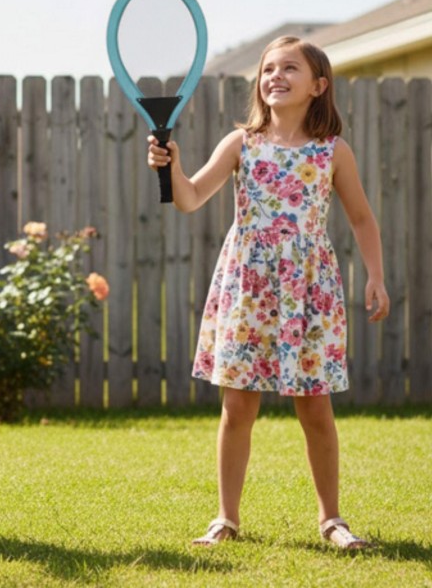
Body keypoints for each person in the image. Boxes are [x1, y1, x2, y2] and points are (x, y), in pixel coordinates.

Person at [147, 36, 389, 550]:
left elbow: (363, 217)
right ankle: (225, 518)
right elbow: (189, 198)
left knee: (315, 410)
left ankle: (332, 521)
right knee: (237, 407)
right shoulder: (241, 144)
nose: (275, 76)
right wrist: (171, 165)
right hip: (249, 287)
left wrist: (376, 276)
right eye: (268, 69)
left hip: (309, 291)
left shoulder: (332, 151)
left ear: (318, 86)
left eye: (290, 68)